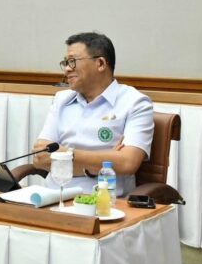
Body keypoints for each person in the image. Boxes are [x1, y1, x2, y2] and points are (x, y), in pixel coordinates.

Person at [32, 32, 154, 196]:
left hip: (104, 202)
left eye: (73, 61)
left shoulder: (135, 103)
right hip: (53, 197)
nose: (67, 69)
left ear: (101, 63)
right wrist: (100, 164)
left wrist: (65, 155)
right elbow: (40, 158)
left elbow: (127, 163)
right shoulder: (61, 100)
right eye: (66, 63)